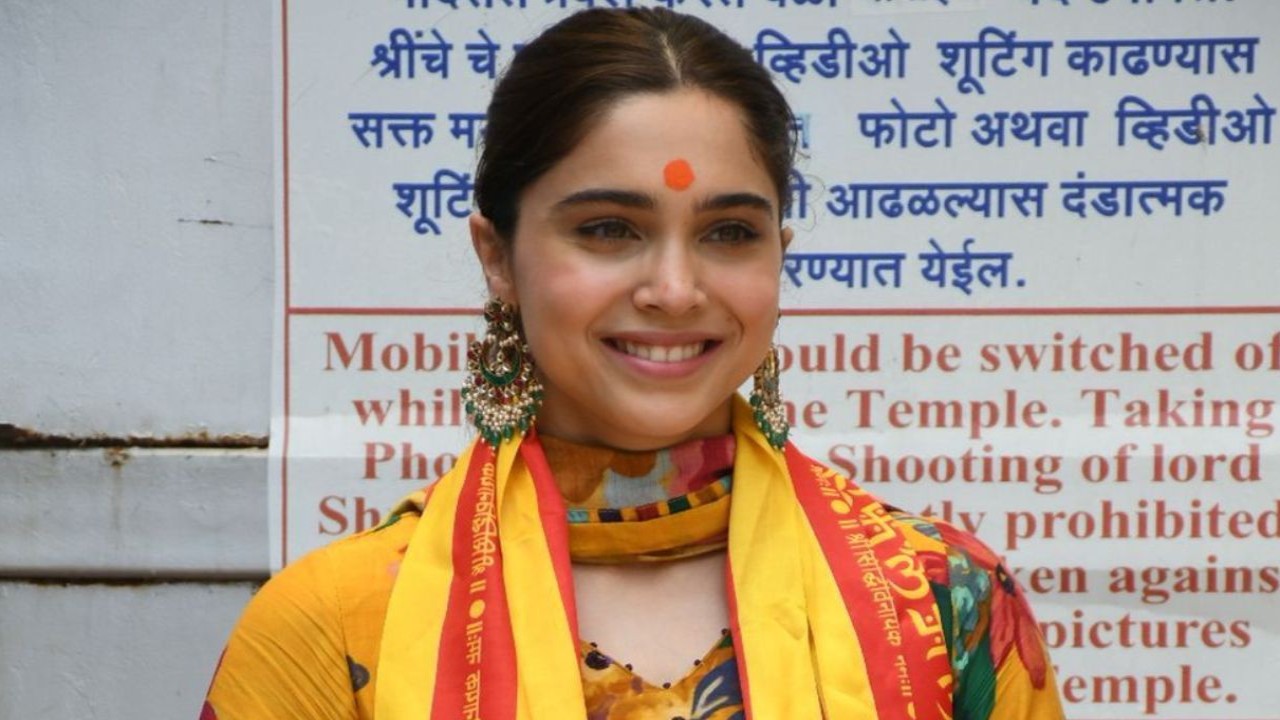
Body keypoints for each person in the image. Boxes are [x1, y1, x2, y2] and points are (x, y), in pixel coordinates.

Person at [202, 8, 1064, 719]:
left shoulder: (947, 603)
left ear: (779, 255)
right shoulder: (337, 626)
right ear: (497, 257)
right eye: (609, 228)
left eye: (729, 233)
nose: (676, 289)